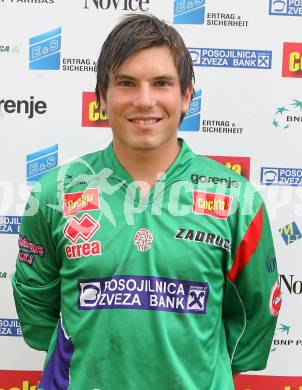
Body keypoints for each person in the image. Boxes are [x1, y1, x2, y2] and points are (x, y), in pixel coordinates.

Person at [12, 13, 281, 390]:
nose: (144, 100)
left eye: (162, 83)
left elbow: (253, 322)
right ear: (101, 98)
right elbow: (36, 309)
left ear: (186, 96)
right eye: (126, 83)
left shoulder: (235, 199)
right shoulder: (55, 194)